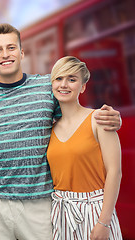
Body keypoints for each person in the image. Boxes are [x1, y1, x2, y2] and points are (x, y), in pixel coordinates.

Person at [0, 23, 122, 239]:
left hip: (40, 204)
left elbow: (75, 110)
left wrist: (112, 117)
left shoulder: (48, 86)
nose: (5, 55)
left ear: (22, 52)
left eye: (11, 48)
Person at [47, 56, 122, 240]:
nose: (64, 85)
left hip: (96, 211)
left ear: (82, 87)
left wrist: (104, 222)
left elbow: (115, 172)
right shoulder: (49, 128)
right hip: (61, 213)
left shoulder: (99, 119)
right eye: (58, 78)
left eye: (72, 79)